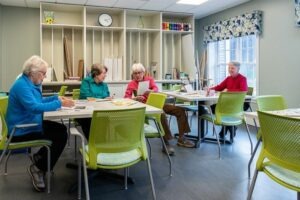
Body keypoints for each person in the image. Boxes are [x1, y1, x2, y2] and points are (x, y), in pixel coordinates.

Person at [6, 55, 74, 192]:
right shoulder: (21, 86)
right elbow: (34, 107)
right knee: (60, 136)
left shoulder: (28, 83)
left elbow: (38, 101)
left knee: (61, 129)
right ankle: (38, 168)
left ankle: (40, 157)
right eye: (43, 74)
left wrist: (55, 98)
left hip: (30, 124)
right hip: (21, 130)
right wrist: (58, 103)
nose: (44, 77)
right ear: (33, 73)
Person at [124, 63, 195, 156]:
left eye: (139, 73)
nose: (137, 75)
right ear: (133, 74)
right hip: (144, 107)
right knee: (161, 114)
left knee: (180, 110)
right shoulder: (131, 84)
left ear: (143, 72)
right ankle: (166, 143)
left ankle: (182, 139)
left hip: (156, 103)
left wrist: (151, 91)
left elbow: (156, 89)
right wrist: (135, 99)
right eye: (135, 73)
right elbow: (126, 98)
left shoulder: (149, 79)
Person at [204, 61, 248, 138]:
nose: (230, 70)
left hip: (240, 104)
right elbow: (220, 87)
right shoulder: (228, 78)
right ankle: (231, 128)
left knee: (221, 109)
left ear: (238, 69)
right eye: (229, 68)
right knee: (212, 108)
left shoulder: (242, 79)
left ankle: (225, 130)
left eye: (232, 68)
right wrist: (210, 89)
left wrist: (228, 91)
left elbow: (242, 91)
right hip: (229, 104)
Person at [76, 64, 112, 139]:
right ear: (96, 74)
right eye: (104, 73)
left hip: (100, 110)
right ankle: (92, 143)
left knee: (105, 119)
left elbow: (107, 95)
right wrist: (102, 98)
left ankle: (100, 143)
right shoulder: (86, 81)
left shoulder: (104, 85)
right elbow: (86, 96)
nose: (105, 75)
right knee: (88, 120)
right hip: (85, 112)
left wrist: (100, 98)